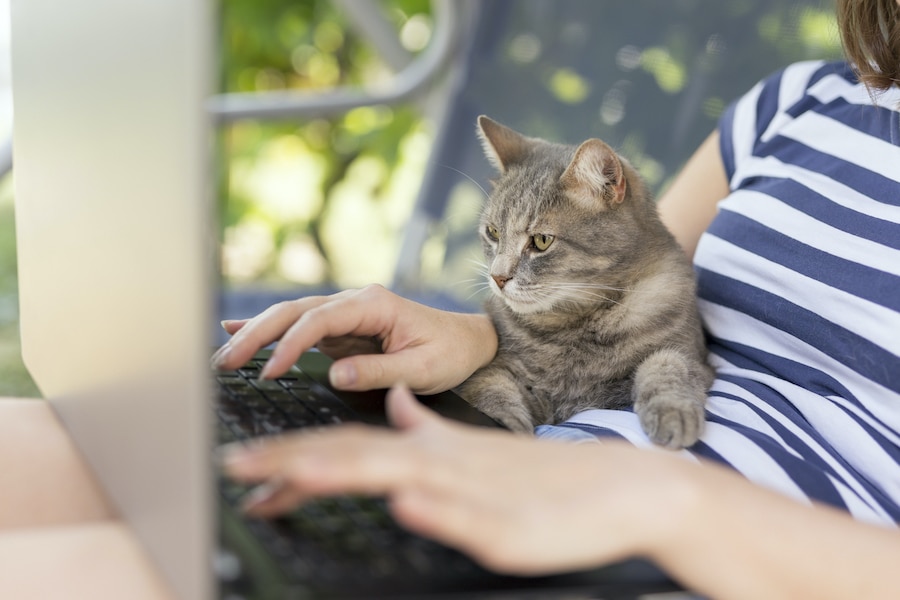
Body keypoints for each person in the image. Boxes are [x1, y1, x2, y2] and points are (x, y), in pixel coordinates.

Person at [214, 0, 900, 597]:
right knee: (197, 488)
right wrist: (473, 337)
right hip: (531, 482)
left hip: (712, 564)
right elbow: (634, 277)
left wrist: (664, 500)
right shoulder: (799, 102)